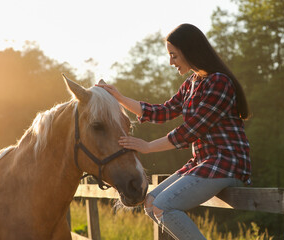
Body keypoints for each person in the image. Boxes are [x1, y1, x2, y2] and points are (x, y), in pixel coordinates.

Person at [97, 23, 251, 240]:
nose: (171, 62)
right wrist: (120, 98)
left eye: (174, 55)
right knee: (150, 204)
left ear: (190, 51)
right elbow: (163, 111)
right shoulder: (191, 83)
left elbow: (190, 131)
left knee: (164, 207)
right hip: (203, 161)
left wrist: (148, 147)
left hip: (227, 163)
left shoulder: (219, 82)